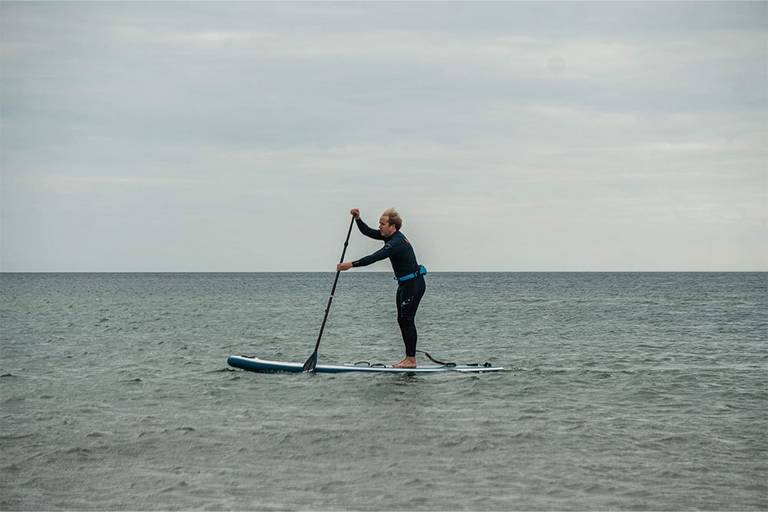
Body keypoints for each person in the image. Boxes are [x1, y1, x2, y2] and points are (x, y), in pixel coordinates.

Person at [337, 208, 426, 369]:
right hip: (405, 284)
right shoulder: (388, 236)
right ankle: (409, 358)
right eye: (380, 223)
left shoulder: (396, 242)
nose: (379, 226)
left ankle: (411, 360)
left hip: (414, 285)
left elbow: (374, 257)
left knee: (407, 320)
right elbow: (368, 232)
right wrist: (358, 219)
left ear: (393, 226)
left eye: (382, 224)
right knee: (402, 319)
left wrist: (350, 265)